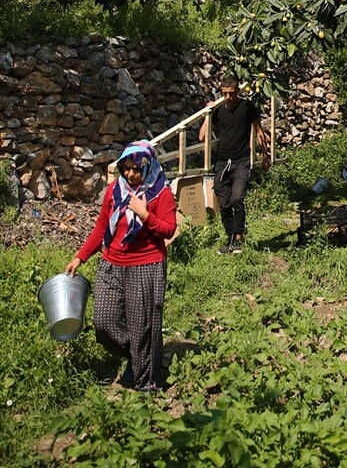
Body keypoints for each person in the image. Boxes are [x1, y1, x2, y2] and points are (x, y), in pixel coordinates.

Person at [65, 139, 177, 391]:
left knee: (142, 324)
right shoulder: (115, 190)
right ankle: (139, 355)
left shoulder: (160, 192)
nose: (131, 174)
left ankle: (145, 382)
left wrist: (146, 214)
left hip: (145, 266)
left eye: (137, 169)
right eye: (126, 168)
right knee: (103, 321)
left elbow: (169, 229)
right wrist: (80, 257)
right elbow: (102, 226)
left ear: (148, 166)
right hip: (112, 264)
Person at [199, 74, 270, 254]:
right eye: (224, 94)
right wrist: (208, 113)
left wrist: (266, 156)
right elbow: (202, 136)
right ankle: (230, 237)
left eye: (231, 93)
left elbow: (259, 131)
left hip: (241, 160)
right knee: (224, 202)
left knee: (237, 197)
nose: (228, 98)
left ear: (238, 91)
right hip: (223, 161)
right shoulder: (219, 109)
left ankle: (239, 237)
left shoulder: (247, 108)